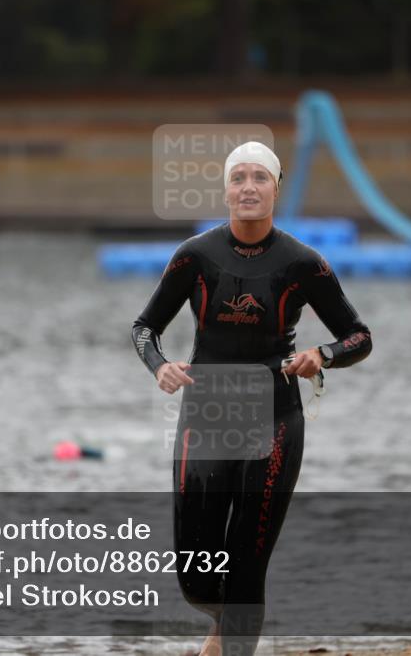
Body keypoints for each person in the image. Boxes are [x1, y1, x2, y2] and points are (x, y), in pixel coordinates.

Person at [131, 142, 372, 656]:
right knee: (197, 577)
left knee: (247, 560)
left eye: (258, 177)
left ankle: (233, 637)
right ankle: (224, 629)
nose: (247, 187)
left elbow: (359, 336)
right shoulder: (194, 256)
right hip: (208, 411)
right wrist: (161, 366)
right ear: (225, 189)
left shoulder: (303, 263)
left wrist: (323, 355)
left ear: (275, 189)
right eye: (238, 177)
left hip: (275, 414)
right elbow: (144, 328)